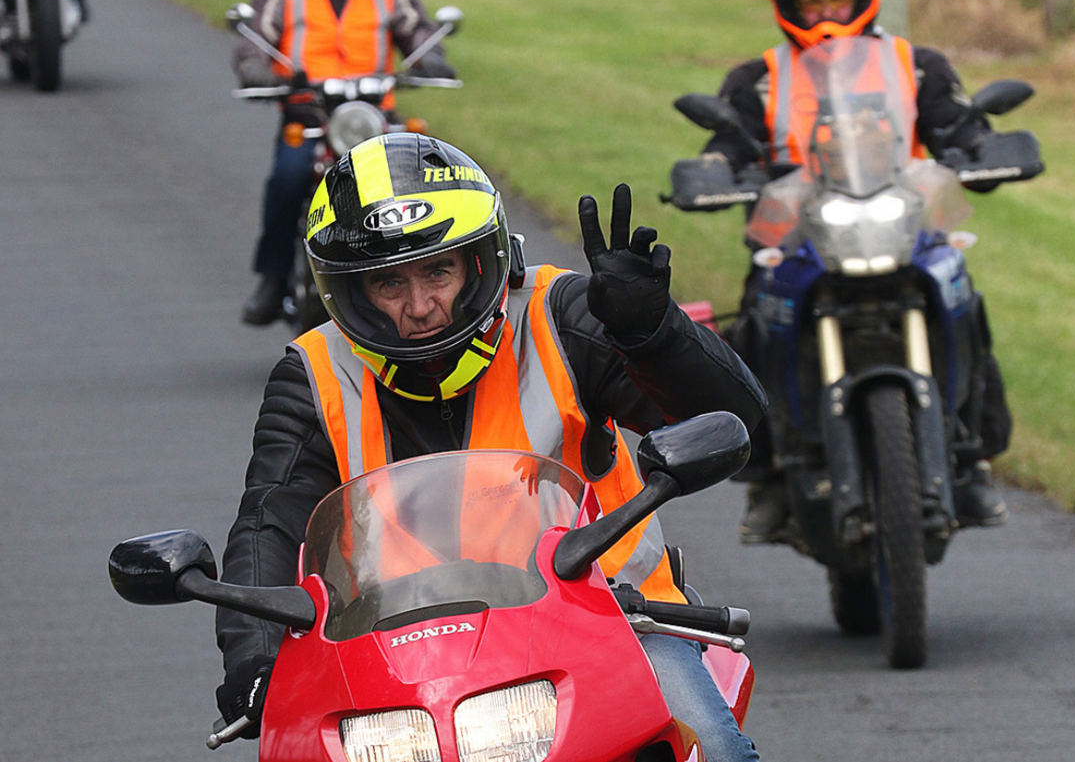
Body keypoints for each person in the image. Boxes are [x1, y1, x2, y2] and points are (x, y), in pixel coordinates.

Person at [214, 133, 766, 761]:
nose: (421, 306)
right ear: (350, 291)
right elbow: (269, 520)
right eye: (388, 284)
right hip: (399, 659)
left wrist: (652, 334)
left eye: (438, 271)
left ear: (479, 261)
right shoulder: (315, 371)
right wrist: (255, 658)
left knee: (715, 746)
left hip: (615, 624)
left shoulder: (561, 315)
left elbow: (736, 415)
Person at [699, 0, 1012, 542]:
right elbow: (728, 144)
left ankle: (971, 457)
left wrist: (982, 148)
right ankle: (765, 475)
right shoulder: (758, 80)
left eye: (837, 1)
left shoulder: (916, 64)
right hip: (797, 239)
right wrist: (713, 170)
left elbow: (956, 126)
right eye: (811, 3)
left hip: (905, 227)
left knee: (964, 303)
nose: (825, 16)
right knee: (751, 332)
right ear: (787, 4)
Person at [234, 0, 457, 326]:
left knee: (419, 183)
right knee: (287, 179)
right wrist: (256, 69)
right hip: (309, 116)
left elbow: (418, 29)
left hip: (374, 118)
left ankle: (431, 274)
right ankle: (272, 278)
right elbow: (253, 41)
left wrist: (430, 56)